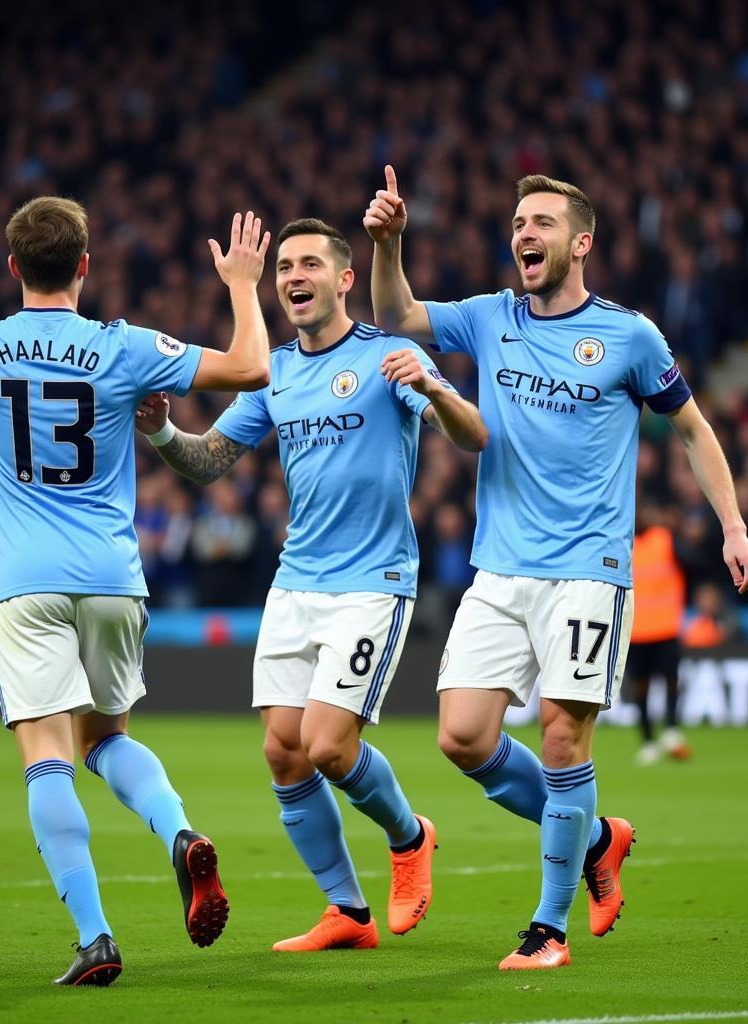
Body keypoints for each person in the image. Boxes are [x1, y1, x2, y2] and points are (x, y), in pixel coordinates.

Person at [0, 202, 272, 985]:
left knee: (47, 758)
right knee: (105, 738)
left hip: (22, 585)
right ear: (84, 265)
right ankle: (178, 834)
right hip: (112, 580)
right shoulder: (124, 346)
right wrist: (242, 284)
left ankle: (96, 937)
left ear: (13, 269)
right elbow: (250, 368)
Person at [365, 167, 748, 970]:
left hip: (588, 567)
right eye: (517, 223)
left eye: (540, 222)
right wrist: (389, 242)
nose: (523, 234)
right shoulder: (487, 317)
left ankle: (548, 930)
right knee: (462, 736)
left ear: (580, 242)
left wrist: (733, 525)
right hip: (500, 568)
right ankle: (597, 840)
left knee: (560, 737)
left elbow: (691, 428)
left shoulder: (630, 336)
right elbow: (395, 316)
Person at [135, 218, 488, 951]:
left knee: (329, 745)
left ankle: (409, 836)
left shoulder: (393, 353)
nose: (292, 277)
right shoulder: (276, 373)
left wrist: (431, 385)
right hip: (296, 583)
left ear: (343, 278)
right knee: (283, 751)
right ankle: (348, 913)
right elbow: (208, 463)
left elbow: (472, 434)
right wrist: (165, 433)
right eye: (283, 267)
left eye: (307, 265)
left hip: (372, 581)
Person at [625, 502, 690, 766]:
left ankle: (672, 730)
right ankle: (649, 740)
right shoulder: (622, 544)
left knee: (671, 680)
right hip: (637, 631)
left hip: (665, 627)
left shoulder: (666, 540)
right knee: (642, 688)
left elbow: (695, 562)